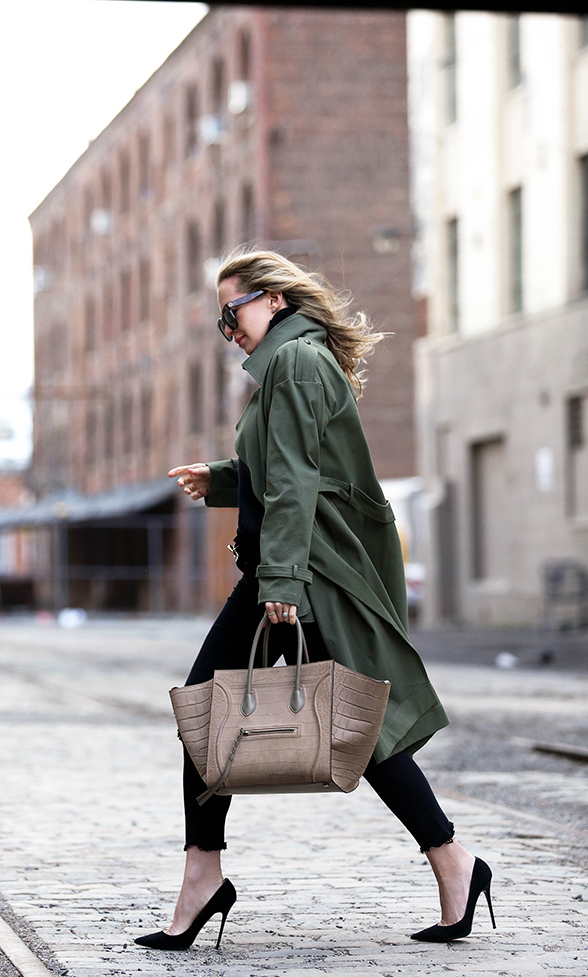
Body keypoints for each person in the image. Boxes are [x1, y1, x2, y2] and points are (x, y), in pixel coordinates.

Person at [135, 248, 495, 951]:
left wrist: (283, 584)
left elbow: (299, 479)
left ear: (270, 299)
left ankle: (206, 875)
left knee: (214, 706)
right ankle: (453, 861)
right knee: (354, 722)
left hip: (304, 570)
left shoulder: (296, 363)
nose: (226, 327)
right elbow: (289, 464)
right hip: (296, 565)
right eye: (220, 318)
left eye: (230, 311)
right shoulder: (290, 364)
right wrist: (224, 479)